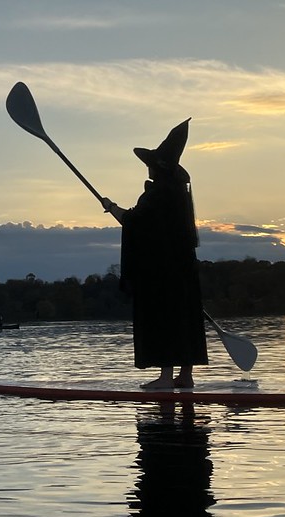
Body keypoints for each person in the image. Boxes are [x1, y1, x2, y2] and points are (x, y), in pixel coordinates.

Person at [100, 118, 208, 389]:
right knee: (185, 318)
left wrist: (111, 207)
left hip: (163, 272)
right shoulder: (178, 194)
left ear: (158, 168)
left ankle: (165, 377)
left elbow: (135, 222)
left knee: (166, 318)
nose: (147, 167)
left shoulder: (159, 193)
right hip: (184, 268)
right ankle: (185, 375)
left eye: (150, 164)